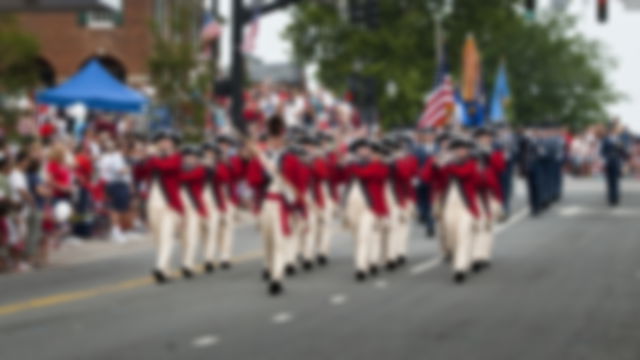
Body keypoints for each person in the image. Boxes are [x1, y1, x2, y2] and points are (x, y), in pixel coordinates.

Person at [250, 115, 303, 295]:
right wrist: (264, 170)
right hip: (265, 203)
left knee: (280, 241)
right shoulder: (261, 158)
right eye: (272, 139)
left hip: (282, 203)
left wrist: (298, 208)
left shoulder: (291, 159)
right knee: (268, 241)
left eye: (278, 138)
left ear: (283, 139)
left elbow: (298, 185)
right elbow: (252, 181)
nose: (275, 142)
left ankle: (276, 278)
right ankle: (271, 269)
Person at [344, 139, 390, 282]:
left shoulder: (377, 165)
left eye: (366, 149)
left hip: (369, 207)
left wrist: (350, 165)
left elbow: (365, 174)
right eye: (360, 149)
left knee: (364, 236)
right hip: (351, 206)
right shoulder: (352, 165)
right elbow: (335, 177)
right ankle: (369, 260)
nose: (363, 151)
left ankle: (361, 268)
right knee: (357, 237)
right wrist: (341, 163)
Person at [146, 130, 183, 284]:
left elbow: (167, 167)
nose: (164, 143)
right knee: (157, 236)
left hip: (169, 202)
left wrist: (153, 157)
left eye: (167, 140)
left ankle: (160, 267)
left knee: (167, 235)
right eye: (161, 141)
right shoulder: (154, 158)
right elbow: (140, 173)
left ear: (173, 143)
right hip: (153, 200)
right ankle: (166, 269)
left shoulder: (178, 157)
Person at [97, 140, 132, 243]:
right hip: (116, 184)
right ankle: (116, 231)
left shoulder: (113, 158)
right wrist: (128, 168)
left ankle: (118, 230)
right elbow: (121, 171)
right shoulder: (116, 157)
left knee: (119, 208)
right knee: (117, 209)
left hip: (116, 184)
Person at [414, 128, 438, 237]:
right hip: (422, 179)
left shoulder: (439, 148)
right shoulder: (418, 150)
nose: (429, 137)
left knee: (432, 203)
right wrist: (415, 177)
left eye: (431, 135)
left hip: (435, 181)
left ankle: (430, 224)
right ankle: (425, 216)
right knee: (424, 203)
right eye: (427, 135)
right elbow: (415, 164)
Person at [601, 124, 629, 206]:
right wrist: (604, 160)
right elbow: (602, 151)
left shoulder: (619, 139)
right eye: (614, 130)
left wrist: (625, 159)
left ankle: (615, 198)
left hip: (616, 161)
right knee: (609, 181)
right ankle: (611, 197)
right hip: (608, 161)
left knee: (616, 180)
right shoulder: (606, 139)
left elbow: (623, 151)